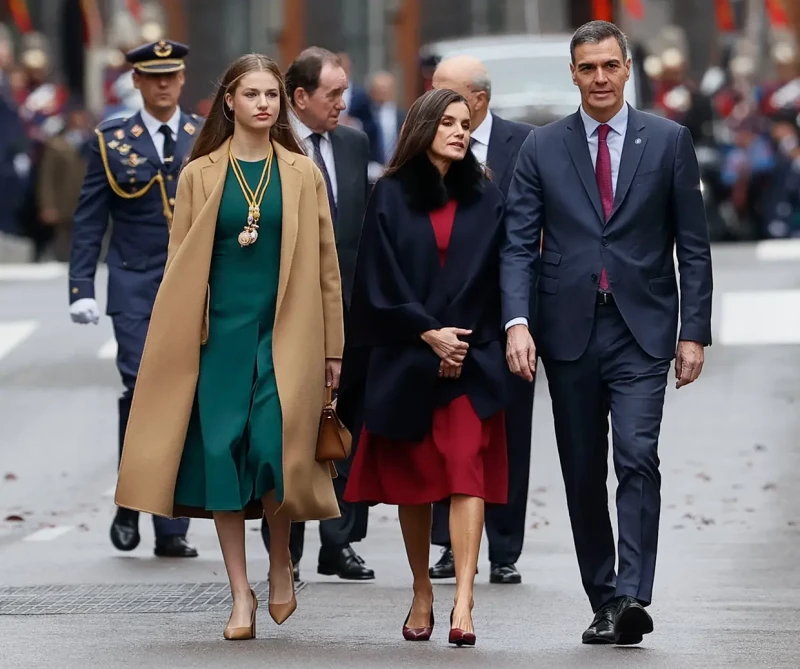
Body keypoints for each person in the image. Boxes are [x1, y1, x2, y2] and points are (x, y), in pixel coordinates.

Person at [113, 52, 344, 641]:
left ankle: (282, 561)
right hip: (218, 339)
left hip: (285, 335)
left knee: (274, 454)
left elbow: (326, 269)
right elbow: (179, 267)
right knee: (222, 456)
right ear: (230, 103)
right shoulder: (200, 174)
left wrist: (333, 350)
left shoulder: (300, 172)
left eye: (272, 94)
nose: (264, 103)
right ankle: (240, 593)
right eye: (253, 95)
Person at [501, 21, 713, 646]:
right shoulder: (541, 147)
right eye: (586, 68)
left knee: (637, 455)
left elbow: (692, 247)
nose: (598, 78)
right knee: (582, 469)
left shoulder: (669, 141)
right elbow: (517, 244)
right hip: (566, 332)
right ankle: (604, 595)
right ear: (573, 73)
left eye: (608, 67)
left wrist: (693, 331)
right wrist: (517, 322)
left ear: (626, 70)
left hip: (642, 329)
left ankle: (632, 593)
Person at [338, 88, 510, 647]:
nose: (461, 132)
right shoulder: (388, 193)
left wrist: (457, 344)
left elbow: (495, 276)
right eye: (449, 123)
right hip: (407, 353)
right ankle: (421, 590)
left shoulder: (485, 194)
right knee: (416, 483)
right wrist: (426, 333)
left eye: (466, 123)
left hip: (470, 356)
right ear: (424, 128)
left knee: (465, 468)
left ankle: (463, 597)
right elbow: (376, 278)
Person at [68, 39, 202, 558]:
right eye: (154, 76)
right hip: (134, 284)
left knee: (183, 395)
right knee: (142, 388)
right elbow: (88, 220)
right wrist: (82, 287)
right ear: (139, 83)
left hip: (193, 285)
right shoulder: (111, 139)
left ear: (182, 80)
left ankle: (169, 524)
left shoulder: (203, 135)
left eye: (172, 75)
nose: (164, 84)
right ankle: (131, 498)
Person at [259, 46, 373, 582]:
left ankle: (339, 541)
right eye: (333, 93)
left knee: (341, 427)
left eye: (344, 91)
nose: (342, 103)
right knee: (288, 430)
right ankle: (289, 550)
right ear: (299, 97)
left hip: (349, 308)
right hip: (288, 313)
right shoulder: (268, 148)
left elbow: (361, 230)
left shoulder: (352, 143)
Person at [428, 55, 534, 585]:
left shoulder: (526, 143)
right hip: (445, 313)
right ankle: (447, 543)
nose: (436, 104)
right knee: (446, 425)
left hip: (507, 313)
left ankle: (505, 549)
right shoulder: (427, 144)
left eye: (446, 93)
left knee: (510, 428)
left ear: (479, 99)